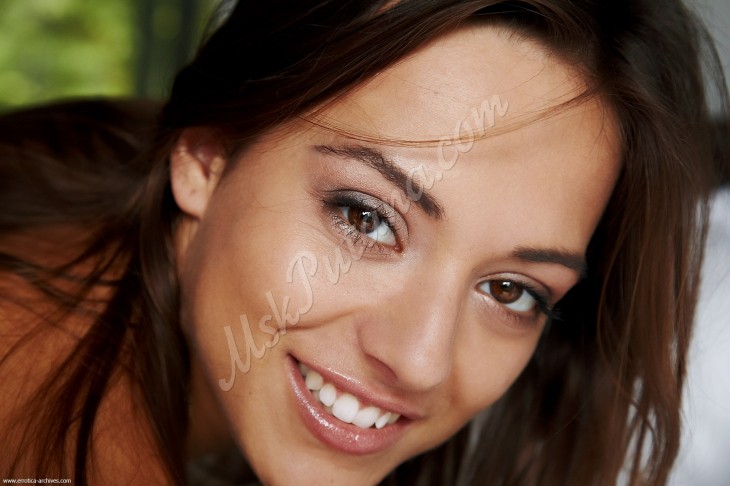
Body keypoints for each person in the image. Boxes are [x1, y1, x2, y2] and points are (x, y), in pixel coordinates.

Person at [0, 0, 725, 484]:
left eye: (510, 290)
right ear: (205, 157)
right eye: (367, 218)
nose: (419, 360)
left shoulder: (88, 166)